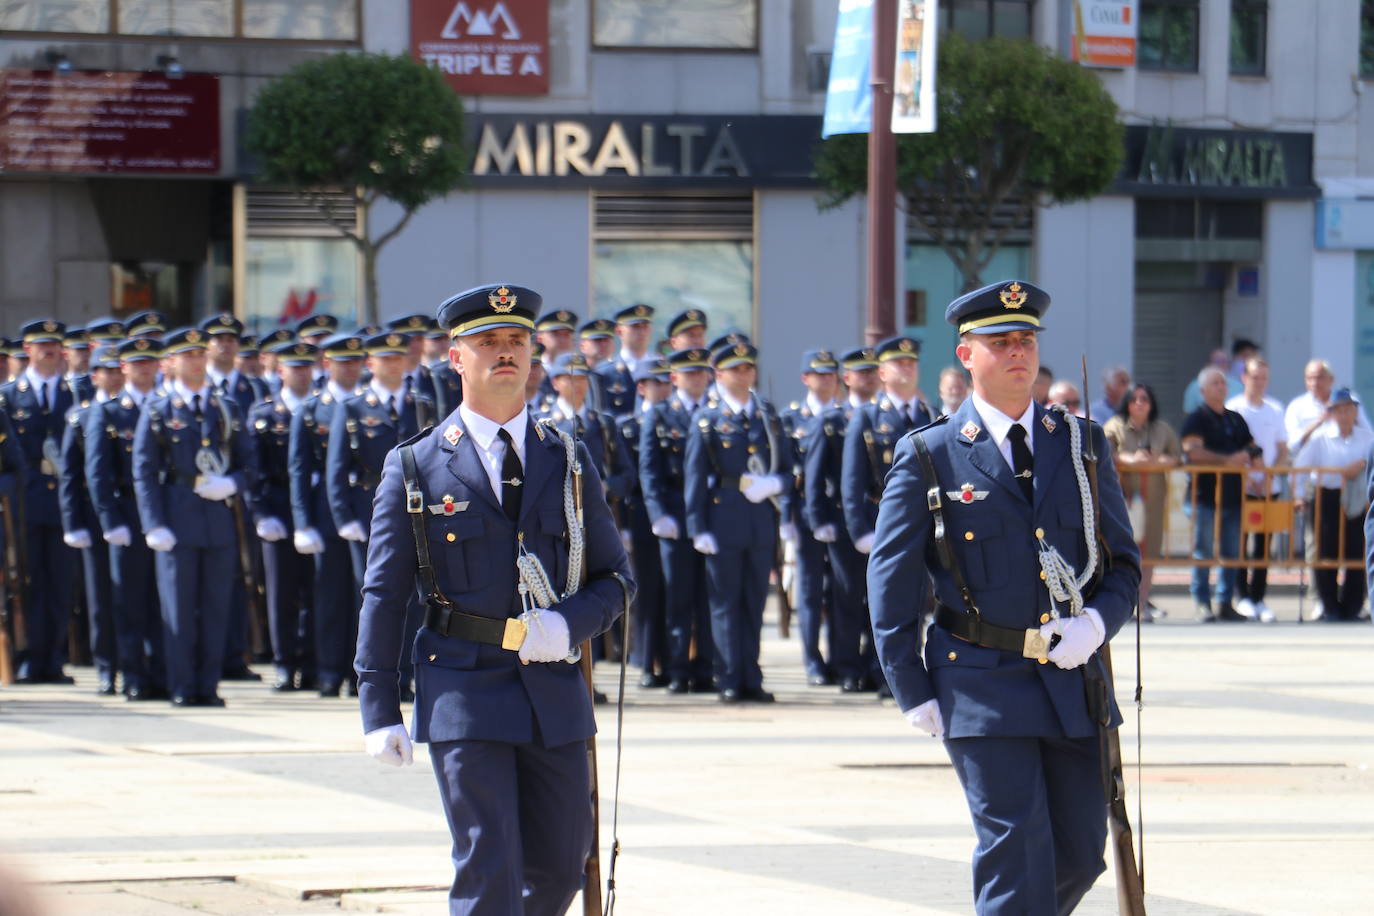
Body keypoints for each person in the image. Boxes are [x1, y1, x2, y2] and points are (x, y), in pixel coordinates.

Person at [355, 283, 631, 914]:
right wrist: (378, 704)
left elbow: (615, 578)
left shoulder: (568, 457)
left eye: (517, 342)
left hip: (553, 693)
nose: (505, 354)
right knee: (489, 868)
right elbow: (384, 593)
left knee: (561, 870)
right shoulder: (418, 466)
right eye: (487, 342)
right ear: (456, 358)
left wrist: (566, 625)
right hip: (464, 689)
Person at [867, 279, 1141, 915]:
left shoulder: (1080, 444)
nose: (1018, 352)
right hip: (979, 682)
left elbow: (1122, 564)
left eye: (1026, 340)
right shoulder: (930, 454)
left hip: (1073, 681)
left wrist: (1097, 624)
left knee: (1080, 851)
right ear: (967, 355)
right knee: (1015, 847)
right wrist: (909, 685)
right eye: (1000, 342)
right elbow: (892, 579)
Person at [132, 327, 257, 706]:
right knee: (180, 611)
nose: (196, 362)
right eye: (187, 356)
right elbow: (144, 470)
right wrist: (153, 523)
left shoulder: (225, 408)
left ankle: (209, 685)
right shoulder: (157, 409)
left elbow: (249, 463)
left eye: (199, 354)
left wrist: (231, 484)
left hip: (217, 522)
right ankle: (183, 686)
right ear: (170, 363)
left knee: (217, 608)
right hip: (176, 520)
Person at [685, 342, 789, 702]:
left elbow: (789, 471)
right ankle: (729, 676)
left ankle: (751, 676)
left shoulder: (767, 416)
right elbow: (695, 477)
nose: (743, 375)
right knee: (725, 604)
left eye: (748, 368)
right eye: (735, 369)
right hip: (722, 521)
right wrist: (698, 527)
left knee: (754, 602)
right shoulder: (708, 419)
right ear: (719, 375)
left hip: (760, 522)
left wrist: (775, 484)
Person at [85, 336, 166, 701]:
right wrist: (109, 519)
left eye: (149, 362)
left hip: (163, 513)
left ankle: (161, 673)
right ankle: (132, 674)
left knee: (162, 601)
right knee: (129, 601)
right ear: (124, 369)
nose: (144, 369)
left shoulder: (167, 407)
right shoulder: (110, 411)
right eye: (136, 364)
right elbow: (97, 472)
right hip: (126, 513)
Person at [288, 332, 366, 698]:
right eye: (342, 362)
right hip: (325, 513)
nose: (350, 368)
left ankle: (358, 672)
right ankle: (329, 671)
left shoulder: (370, 405)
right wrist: (302, 522)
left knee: (363, 597)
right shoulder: (312, 409)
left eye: (355, 361)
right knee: (330, 597)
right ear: (327, 365)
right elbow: (299, 470)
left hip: (365, 510)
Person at [1, 319, 78, 684]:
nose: (49, 351)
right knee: (27, 581)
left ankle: (54, 658)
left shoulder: (74, 394)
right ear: (27, 350)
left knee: (61, 583)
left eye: (54, 345)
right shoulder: (9, 396)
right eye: (41, 345)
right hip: (23, 501)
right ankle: (28, 656)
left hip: (63, 499)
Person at [639, 347, 716, 693]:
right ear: (674, 378)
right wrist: (658, 514)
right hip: (674, 514)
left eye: (701, 372)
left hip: (711, 517)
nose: (696, 379)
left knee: (709, 597)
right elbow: (650, 470)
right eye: (689, 373)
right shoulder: (660, 414)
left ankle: (705, 670)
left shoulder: (716, 413)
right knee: (678, 598)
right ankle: (676, 668)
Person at [805, 346, 882, 693]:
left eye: (871, 371)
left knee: (879, 599)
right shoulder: (832, 420)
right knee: (847, 598)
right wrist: (818, 517)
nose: (866, 378)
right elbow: (815, 474)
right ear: (846, 379)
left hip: (882, 519)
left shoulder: (886, 416)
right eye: (859, 372)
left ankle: (875, 665)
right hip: (842, 522)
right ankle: (847, 665)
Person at [248, 341, 319, 691]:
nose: (302, 374)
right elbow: (253, 470)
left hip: (314, 510)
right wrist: (261, 514)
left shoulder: (322, 410)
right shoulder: (264, 414)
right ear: (280, 372)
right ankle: (284, 661)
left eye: (307, 367)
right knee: (280, 592)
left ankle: (310, 662)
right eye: (295, 368)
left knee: (315, 591)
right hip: (278, 507)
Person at [58, 345, 122, 693]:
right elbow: (70, 474)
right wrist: (72, 523)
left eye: (116, 370)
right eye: (105, 371)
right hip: (93, 517)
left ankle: (133, 663)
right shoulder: (80, 415)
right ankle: (105, 667)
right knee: (100, 597)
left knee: (132, 594)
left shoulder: (132, 411)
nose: (112, 377)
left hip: (128, 515)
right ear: (94, 376)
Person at [779, 349, 840, 687]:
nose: (826, 380)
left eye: (831, 374)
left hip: (839, 512)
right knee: (810, 591)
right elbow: (787, 472)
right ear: (806, 379)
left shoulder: (846, 416)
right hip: (804, 515)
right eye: (819, 374)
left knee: (841, 590)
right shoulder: (792, 420)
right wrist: (786, 517)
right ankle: (812, 659)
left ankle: (838, 656)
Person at [1181, 367, 1260, 622]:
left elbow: (1252, 448)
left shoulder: (1235, 418)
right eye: (1215, 383)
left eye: (1223, 383)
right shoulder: (1196, 419)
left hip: (1233, 495)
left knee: (1231, 551)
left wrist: (1248, 457)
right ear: (1203, 390)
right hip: (1204, 496)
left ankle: (1225, 602)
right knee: (1203, 551)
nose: (1221, 387)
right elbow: (1193, 452)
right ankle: (1203, 602)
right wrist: (1227, 460)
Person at [1104, 383, 1181, 619]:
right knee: (1121, 553)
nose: (1139, 403)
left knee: (1149, 554)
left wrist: (1157, 461)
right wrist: (1130, 460)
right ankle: (1121, 605)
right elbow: (1105, 454)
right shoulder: (1114, 426)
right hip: (1123, 500)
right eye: (1134, 399)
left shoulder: (1162, 429)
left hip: (1153, 502)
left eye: (1144, 399)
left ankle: (1142, 602)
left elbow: (1178, 457)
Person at [1294, 388, 1371, 621]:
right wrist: (1299, 496)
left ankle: (1353, 607)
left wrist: (1363, 463)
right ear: (1333, 413)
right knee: (1325, 553)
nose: (1345, 414)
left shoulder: (1367, 437)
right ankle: (1329, 606)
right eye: (1340, 410)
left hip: (1359, 501)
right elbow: (1300, 468)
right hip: (1327, 497)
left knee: (1357, 552)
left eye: (1350, 409)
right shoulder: (1321, 439)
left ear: (1356, 412)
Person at [619, 357, 670, 687]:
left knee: (674, 594)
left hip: (674, 517)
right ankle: (648, 661)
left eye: (667, 381)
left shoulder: (680, 419)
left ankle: (674, 660)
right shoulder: (627, 425)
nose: (663, 387)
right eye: (656, 382)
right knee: (647, 593)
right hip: (641, 518)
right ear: (642, 387)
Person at [1226, 357, 1288, 623]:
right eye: (1254, 377)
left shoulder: (1275, 409)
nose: (1259, 382)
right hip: (1242, 487)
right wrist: (1250, 477)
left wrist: (1269, 474)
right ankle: (1242, 596)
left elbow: (1283, 448)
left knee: (1264, 546)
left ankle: (1259, 597)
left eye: (1263, 377)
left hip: (1269, 488)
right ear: (1244, 378)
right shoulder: (1234, 407)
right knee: (1240, 543)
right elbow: (1229, 449)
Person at [595, 304, 655, 419]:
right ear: (619, 331)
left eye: (645, 326)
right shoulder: (603, 373)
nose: (641, 332)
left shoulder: (661, 371)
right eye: (635, 326)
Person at [1182, 350, 1242, 416]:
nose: (1222, 364)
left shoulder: (1238, 385)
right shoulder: (1195, 386)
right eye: (1218, 361)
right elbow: (1188, 413)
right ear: (1208, 364)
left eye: (1224, 361)